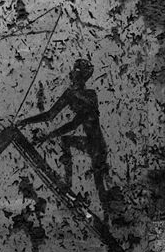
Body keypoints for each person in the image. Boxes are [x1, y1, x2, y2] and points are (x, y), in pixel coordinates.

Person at [18, 59, 110, 215]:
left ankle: (108, 215)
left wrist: (48, 136)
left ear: (83, 76)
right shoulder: (70, 94)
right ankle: (68, 184)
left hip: (97, 145)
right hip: (88, 142)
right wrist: (25, 121)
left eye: (77, 71)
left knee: (99, 185)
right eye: (74, 70)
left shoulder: (90, 95)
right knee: (65, 141)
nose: (72, 73)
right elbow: (49, 115)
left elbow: (74, 124)